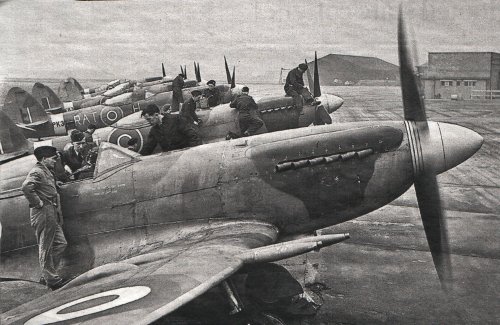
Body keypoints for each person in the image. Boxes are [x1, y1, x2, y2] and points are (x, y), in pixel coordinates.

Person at [21, 146, 68, 290]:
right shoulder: (37, 171)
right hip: (43, 212)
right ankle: (52, 281)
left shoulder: (46, 170)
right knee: (45, 247)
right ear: (43, 159)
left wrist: (55, 185)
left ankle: (47, 274)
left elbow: (45, 185)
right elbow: (26, 187)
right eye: (52, 159)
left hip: (50, 212)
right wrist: (38, 203)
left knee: (61, 243)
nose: (54, 162)